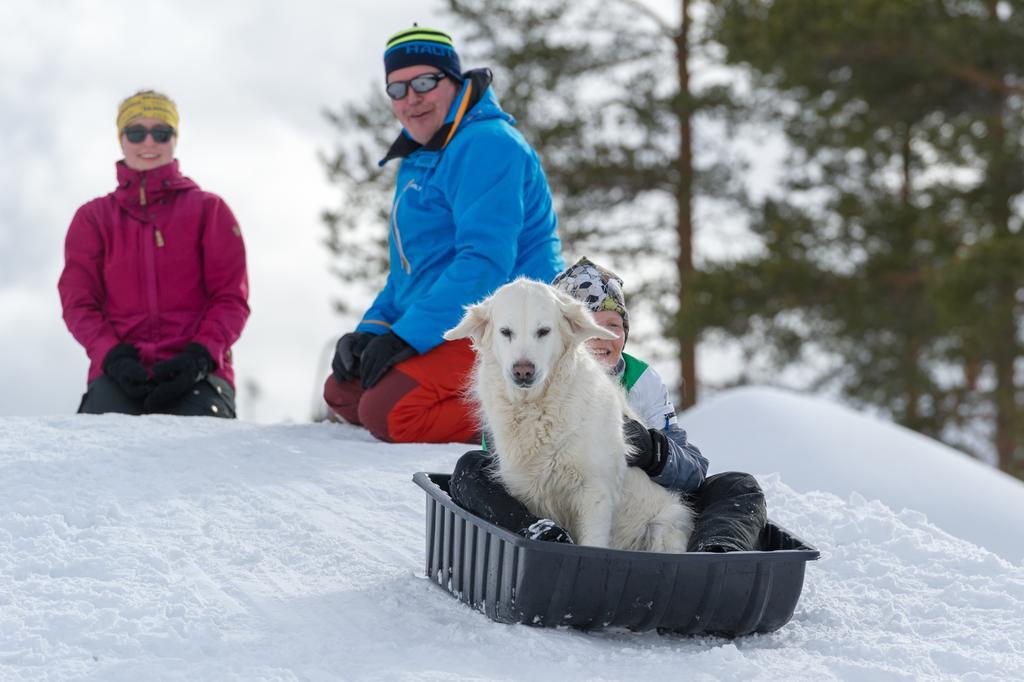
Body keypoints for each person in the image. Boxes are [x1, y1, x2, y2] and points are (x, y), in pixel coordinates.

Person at [323, 27, 564, 443]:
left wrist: (408, 336)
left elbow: (485, 263)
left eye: (424, 82)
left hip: (507, 324)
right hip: (455, 318)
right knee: (344, 392)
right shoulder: (419, 158)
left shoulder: (488, 144)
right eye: (397, 88)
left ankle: (542, 415)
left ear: (454, 81)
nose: (411, 98)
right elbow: (408, 275)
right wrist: (374, 330)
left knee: (391, 411)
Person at [450, 257, 767, 552]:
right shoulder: (511, 379)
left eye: (613, 325)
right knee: (470, 468)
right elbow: (505, 468)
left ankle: (715, 563)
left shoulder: (644, 381)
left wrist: (652, 450)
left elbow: (694, 472)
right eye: (592, 325)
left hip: (643, 513)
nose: (601, 338)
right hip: (557, 513)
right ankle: (542, 539)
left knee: (738, 486)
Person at [58, 90, 249, 417]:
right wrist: (113, 356)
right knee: (99, 454)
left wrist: (200, 357)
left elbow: (231, 299)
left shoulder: (210, 211)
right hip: (118, 374)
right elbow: (79, 303)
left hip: (199, 374)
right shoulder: (93, 219)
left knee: (197, 455)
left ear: (175, 140)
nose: (149, 142)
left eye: (161, 133)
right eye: (136, 132)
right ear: (122, 139)